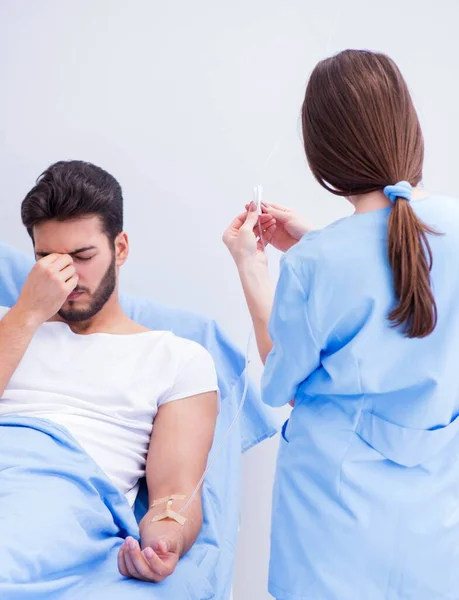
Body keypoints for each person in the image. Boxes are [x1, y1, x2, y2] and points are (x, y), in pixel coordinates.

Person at [223, 49, 459, 599]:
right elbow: (399, 277)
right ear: (408, 125)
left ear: (322, 152)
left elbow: (281, 382)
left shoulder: (316, 264)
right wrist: (313, 241)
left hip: (333, 527)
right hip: (435, 521)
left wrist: (252, 267)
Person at [0, 160, 218, 584]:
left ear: (120, 248)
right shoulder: (9, 324)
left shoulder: (176, 358)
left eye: (82, 257)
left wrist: (165, 542)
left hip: (58, 496)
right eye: (47, 259)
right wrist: (27, 313)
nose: (67, 277)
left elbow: (175, 494)